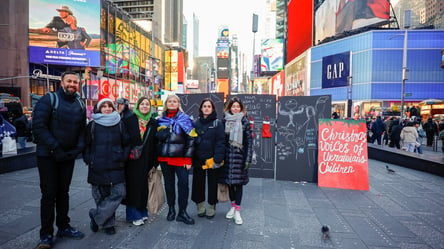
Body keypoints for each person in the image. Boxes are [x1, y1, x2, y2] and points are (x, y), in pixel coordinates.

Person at [32, 71, 86, 249]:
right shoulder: (48, 100)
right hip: (48, 156)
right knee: (49, 194)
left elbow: (81, 130)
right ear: (62, 83)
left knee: (64, 192)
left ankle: (63, 226)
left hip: (67, 157)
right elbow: (39, 126)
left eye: (75, 82)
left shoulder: (79, 103)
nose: (72, 84)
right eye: (69, 81)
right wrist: (56, 148)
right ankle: (46, 234)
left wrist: (76, 150)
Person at [83, 98, 130, 235]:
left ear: (113, 108)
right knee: (101, 196)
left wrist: (123, 157)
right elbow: (85, 145)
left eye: (109, 106)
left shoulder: (120, 124)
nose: (107, 108)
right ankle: (108, 224)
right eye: (104, 106)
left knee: (119, 193)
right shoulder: (92, 125)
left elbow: (127, 143)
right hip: (97, 165)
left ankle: (96, 216)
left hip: (117, 164)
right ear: (99, 109)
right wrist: (89, 159)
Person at [156, 94, 196, 225]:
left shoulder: (186, 119)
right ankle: (171, 209)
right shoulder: (160, 119)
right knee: (169, 185)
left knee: (183, 184)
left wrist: (188, 159)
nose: (172, 103)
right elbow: (156, 140)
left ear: (179, 104)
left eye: (175, 101)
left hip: (180, 158)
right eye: (169, 101)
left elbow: (191, 140)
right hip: (164, 158)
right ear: (166, 104)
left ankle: (182, 212)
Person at [123, 97, 158, 226]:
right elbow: (124, 139)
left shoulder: (153, 122)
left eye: (147, 104)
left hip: (147, 159)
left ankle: (142, 211)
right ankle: (133, 214)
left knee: (144, 186)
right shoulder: (129, 120)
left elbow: (155, 143)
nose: (145, 106)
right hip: (132, 160)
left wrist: (155, 162)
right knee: (133, 187)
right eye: (142, 104)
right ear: (137, 106)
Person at [220, 97, 253, 225]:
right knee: (229, 184)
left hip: (240, 157)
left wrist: (248, 158)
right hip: (227, 158)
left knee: (238, 184)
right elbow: (221, 140)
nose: (235, 109)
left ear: (241, 108)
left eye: (238, 107)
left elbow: (249, 142)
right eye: (233, 106)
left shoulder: (245, 122)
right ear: (229, 108)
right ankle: (233, 206)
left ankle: (237, 210)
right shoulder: (224, 121)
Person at [191, 98, 225, 219]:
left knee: (213, 183)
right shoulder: (195, 122)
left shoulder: (217, 123)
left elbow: (221, 142)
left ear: (212, 109)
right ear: (201, 108)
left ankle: (211, 206)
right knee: (198, 183)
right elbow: (191, 141)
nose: (206, 108)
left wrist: (217, 159)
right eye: (204, 106)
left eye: (209, 106)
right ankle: (200, 205)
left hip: (212, 158)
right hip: (198, 158)